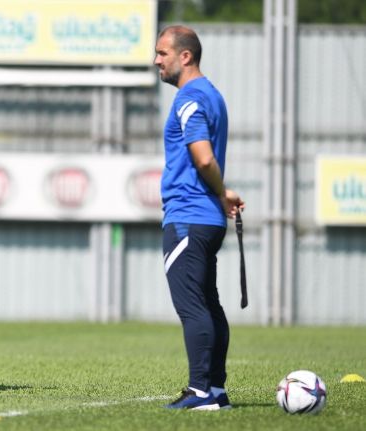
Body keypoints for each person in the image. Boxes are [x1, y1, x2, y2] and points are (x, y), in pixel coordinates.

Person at [153, 25, 245, 410]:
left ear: (185, 56)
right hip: (207, 220)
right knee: (208, 303)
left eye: (162, 53)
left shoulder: (189, 97)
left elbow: (203, 157)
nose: (156, 61)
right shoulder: (213, 95)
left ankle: (201, 391)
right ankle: (216, 389)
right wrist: (221, 194)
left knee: (193, 306)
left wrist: (221, 191)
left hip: (188, 216)